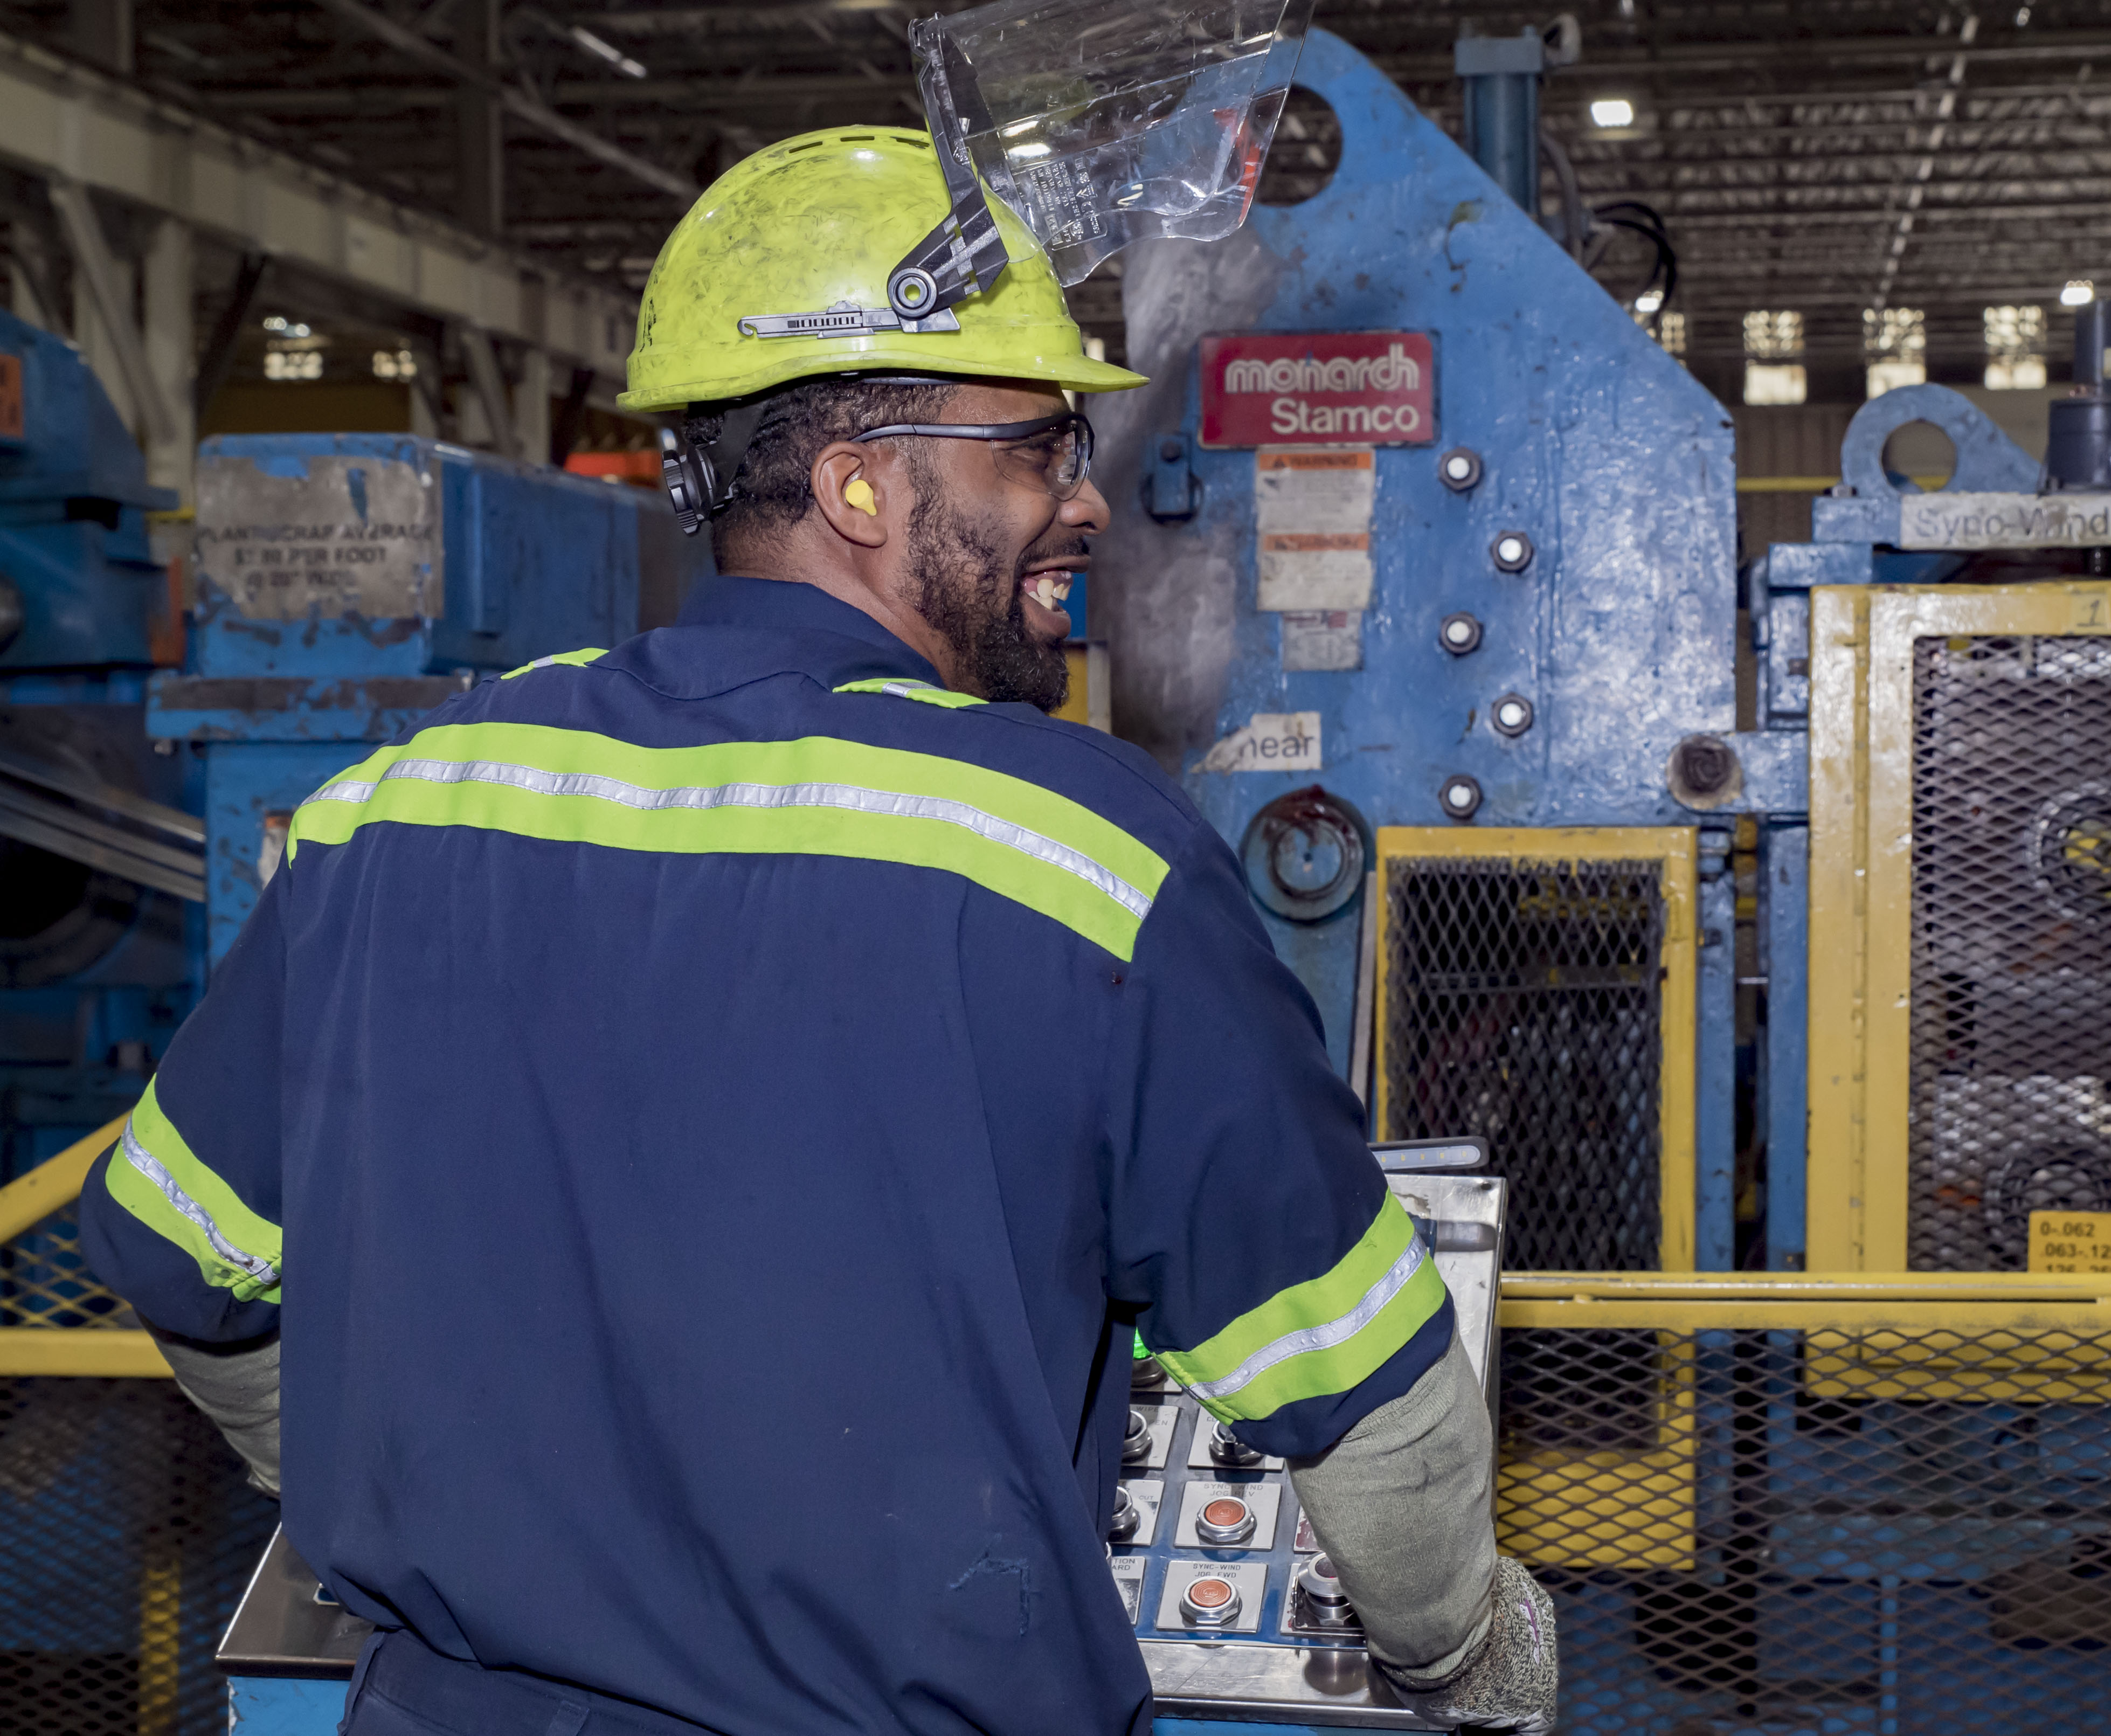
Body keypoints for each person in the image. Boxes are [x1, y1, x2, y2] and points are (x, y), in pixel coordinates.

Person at [79, 126, 1555, 1735]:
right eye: (1037, 450)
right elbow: (1373, 1410)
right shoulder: (1075, 856)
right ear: (860, 482)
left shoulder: (399, 810)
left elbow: (171, 1245)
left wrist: (419, 1500)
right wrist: (1473, 1656)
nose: (1084, 505)